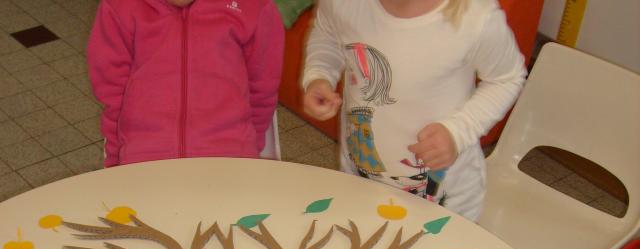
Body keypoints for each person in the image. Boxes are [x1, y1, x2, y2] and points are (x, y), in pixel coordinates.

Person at [302, 0, 527, 221]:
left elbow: (507, 78)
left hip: (444, 201)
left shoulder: (476, 17)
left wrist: (458, 132)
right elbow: (327, 34)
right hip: (360, 182)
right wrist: (319, 75)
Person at [87, 0, 284, 167]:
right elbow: (113, 95)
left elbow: (262, 90)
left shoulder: (254, 6)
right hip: (143, 158)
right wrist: (115, 160)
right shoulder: (119, 7)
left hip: (231, 156)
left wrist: (248, 147)